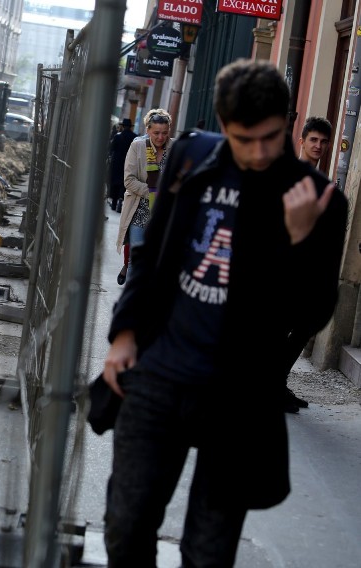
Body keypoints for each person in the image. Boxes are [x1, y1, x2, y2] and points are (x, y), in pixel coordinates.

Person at [101, 58, 347, 567]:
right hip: (162, 374)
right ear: (222, 125)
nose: (258, 153)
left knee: (208, 555)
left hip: (238, 398)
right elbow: (154, 261)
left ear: (290, 123)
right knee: (126, 528)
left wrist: (299, 240)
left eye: (271, 138)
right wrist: (124, 337)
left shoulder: (320, 200)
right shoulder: (191, 158)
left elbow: (315, 313)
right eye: (243, 139)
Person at [281, 115, 334, 413]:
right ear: (301, 141)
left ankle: (278, 381)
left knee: (302, 328)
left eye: (324, 142)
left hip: (306, 273)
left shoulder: (324, 184)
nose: (318, 146)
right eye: (313, 140)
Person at [115, 108, 173, 283]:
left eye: (164, 133)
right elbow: (129, 180)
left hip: (164, 216)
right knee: (137, 260)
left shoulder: (175, 148)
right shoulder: (138, 146)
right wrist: (155, 194)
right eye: (156, 133)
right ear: (147, 130)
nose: (160, 137)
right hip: (139, 212)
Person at [107, 117, 137, 212]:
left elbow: (111, 149)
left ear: (123, 126)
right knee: (124, 182)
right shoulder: (134, 138)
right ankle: (121, 199)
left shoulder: (117, 136)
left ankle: (114, 202)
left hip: (117, 162)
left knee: (115, 182)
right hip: (129, 162)